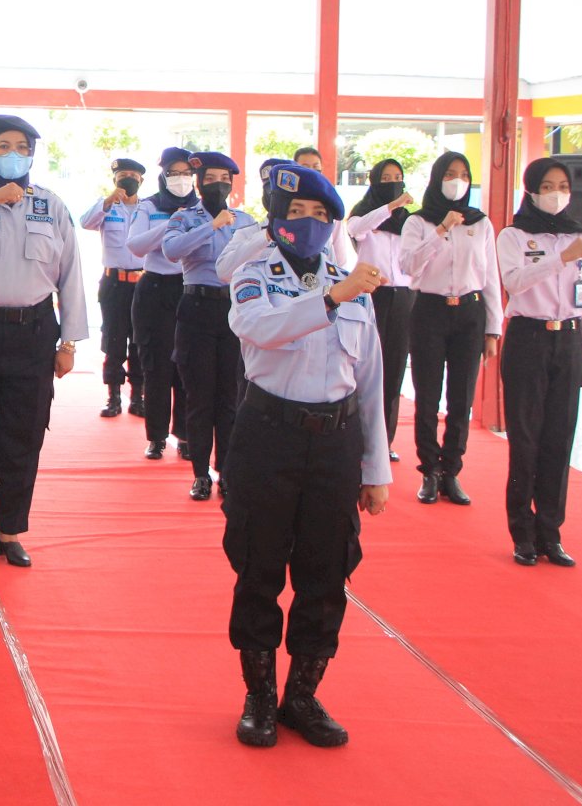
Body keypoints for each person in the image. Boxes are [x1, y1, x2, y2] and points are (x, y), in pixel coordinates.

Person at [224, 163, 389, 750]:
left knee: (327, 571)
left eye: (322, 215)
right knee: (259, 564)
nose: (311, 224)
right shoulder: (254, 275)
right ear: (278, 220)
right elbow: (260, 329)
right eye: (299, 213)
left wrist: (376, 470)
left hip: (336, 443)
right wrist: (330, 297)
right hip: (269, 434)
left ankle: (303, 695)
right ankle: (260, 697)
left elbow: (369, 381)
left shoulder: (352, 284)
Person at [0, 114, 86, 568]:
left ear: (32, 154)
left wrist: (68, 343)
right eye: (4, 146)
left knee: (24, 434)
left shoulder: (51, 205)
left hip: (34, 331)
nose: (13, 154)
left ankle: (10, 530)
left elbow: (70, 276)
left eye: (22, 147)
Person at [498, 158, 582, 568]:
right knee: (526, 440)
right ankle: (522, 532)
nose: (556, 193)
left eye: (563, 186)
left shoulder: (580, 238)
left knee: (560, 439)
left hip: (568, 340)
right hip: (528, 339)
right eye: (547, 185)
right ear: (532, 189)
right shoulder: (514, 234)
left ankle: (551, 533)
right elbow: (514, 283)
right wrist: (558, 259)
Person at [400, 151, 501, 506]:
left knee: (462, 398)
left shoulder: (481, 223)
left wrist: (493, 329)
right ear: (437, 179)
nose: (457, 181)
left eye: (464, 175)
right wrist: (441, 230)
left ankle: (452, 471)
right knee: (427, 397)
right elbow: (408, 266)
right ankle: (429, 470)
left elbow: (489, 277)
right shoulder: (418, 222)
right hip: (429, 310)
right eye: (450, 174)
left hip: (469, 314)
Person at [164, 152, 254, 501]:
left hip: (233, 310)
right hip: (196, 309)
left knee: (230, 398)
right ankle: (200, 473)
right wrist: (211, 226)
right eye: (211, 178)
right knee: (199, 397)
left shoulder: (245, 221)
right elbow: (172, 251)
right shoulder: (184, 217)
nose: (218, 184)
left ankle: (227, 472)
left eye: (224, 179)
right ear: (200, 182)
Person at [125, 147, 197, 460]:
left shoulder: (203, 207)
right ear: (163, 175)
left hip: (190, 290)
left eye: (186, 173)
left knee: (187, 366)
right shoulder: (149, 205)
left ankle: (184, 435)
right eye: (174, 173)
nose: (180, 179)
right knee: (155, 365)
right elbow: (136, 245)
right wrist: (172, 223)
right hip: (154, 289)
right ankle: (156, 437)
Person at [346, 159, 417, 462]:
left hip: (403, 297)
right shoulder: (362, 216)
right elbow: (359, 229)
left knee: (394, 367)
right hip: (370, 295)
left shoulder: (409, 222)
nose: (393, 183)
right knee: (366, 366)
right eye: (386, 178)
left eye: (398, 178)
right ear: (374, 182)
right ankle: (358, 434)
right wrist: (391, 206)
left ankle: (384, 440)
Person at [82, 157, 148, 418]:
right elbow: (85, 222)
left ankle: (138, 396)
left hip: (144, 284)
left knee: (140, 341)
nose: (128, 179)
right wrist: (108, 201)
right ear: (115, 180)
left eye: (133, 175)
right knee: (114, 339)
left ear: (141, 180)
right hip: (114, 283)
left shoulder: (148, 208)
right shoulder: (107, 207)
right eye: (123, 176)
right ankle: (113, 397)